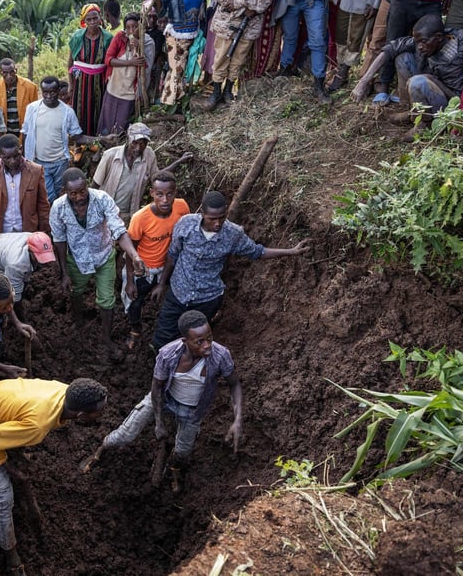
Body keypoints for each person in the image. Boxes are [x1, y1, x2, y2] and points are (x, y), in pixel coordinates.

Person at [0, 377, 107, 575]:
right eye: (100, 411)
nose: (103, 414)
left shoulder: (67, 392)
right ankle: (11, 554)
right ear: (80, 415)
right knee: (3, 496)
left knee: (21, 438)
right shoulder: (37, 425)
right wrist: (10, 468)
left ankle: (11, 441)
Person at [81, 311, 242, 491]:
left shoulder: (220, 355)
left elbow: (234, 384)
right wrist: (158, 423)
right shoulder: (168, 354)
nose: (207, 346)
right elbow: (157, 387)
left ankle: (174, 469)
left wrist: (237, 420)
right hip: (163, 398)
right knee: (124, 435)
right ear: (185, 341)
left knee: (182, 452)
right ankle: (100, 452)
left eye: (209, 338)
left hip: (192, 410)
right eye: (200, 342)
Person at [151, 190, 310, 349]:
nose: (218, 223)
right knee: (162, 340)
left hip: (206, 298)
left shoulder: (233, 234)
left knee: (195, 342)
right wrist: (161, 284)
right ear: (202, 213)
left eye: (222, 217)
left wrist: (291, 251)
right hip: (178, 292)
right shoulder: (186, 224)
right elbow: (172, 255)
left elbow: (256, 251)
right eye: (212, 219)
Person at [51, 168, 146, 359]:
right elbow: (59, 239)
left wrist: (134, 255)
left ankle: (106, 338)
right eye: (73, 193)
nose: (79, 197)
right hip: (77, 259)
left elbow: (118, 229)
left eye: (82, 191)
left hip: (104, 256)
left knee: (106, 299)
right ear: (65, 192)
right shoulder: (58, 207)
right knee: (76, 292)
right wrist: (64, 273)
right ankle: (78, 321)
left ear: (87, 185)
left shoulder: (102, 199)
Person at [352, 13, 463, 133]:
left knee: (418, 82)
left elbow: (457, 99)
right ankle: (411, 111)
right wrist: (363, 81)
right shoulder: (431, 40)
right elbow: (392, 48)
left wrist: (430, 79)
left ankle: (424, 124)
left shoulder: (458, 57)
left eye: (423, 41)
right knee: (403, 58)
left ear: (438, 37)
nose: (420, 47)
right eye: (417, 42)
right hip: (431, 87)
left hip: (448, 105)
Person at [122, 171, 191, 352]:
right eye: (159, 194)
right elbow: (130, 251)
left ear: (175, 192)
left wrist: (161, 283)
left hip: (169, 265)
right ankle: (135, 329)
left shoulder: (182, 207)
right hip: (143, 269)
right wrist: (130, 281)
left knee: (174, 299)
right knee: (135, 302)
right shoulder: (140, 218)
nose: (165, 200)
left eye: (169, 194)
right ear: (152, 193)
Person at [92, 122, 192, 224]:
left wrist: (179, 161)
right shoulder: (110, 155)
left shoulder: (149, 154)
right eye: (135, 143)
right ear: (128, 139)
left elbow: (157, 177)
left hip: (129, 215)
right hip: (106, 213)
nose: (138, 148)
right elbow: (95, 185)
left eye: (143, 144)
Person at [20, 76, 100, 199]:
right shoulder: (32, 109)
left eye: (52, 92)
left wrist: (101, 139)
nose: (48, 96)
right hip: (40, 162)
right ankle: (49, 216)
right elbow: (25, 133)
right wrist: (25, 159)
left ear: (58, 91)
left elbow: (77, 137)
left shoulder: (67, 112)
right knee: (48, 196)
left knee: (58, 194)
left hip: (60, 162)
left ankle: (54, 217)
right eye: (45, 92)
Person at [156, 0, 208, 112]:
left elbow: (203, 7)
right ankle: (169, 106)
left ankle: (183, 104)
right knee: (176, 71)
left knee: (189, 69)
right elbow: (161, 10)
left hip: (194, 32)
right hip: (177, 34)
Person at [0, 133, 51, 239]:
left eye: (16, 156)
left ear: (21, 149)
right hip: (0, 230)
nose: (12, 161)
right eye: (7, 158)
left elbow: (43, 204)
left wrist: (45, 229)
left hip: (26, 230)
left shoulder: (36, 171)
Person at [98, 13, 151, 135]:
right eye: (128, 27)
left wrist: (137, 49)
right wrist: (129, 62)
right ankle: (101, 145)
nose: (131, 30)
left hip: (129, 93)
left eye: (135, 27)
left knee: (121, 126)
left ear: (140, 27)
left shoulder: (146, 43)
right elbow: (108, 60)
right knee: (106, 123)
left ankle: (119, 147)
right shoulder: (119, 38)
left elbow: (145, 68)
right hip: (114, 88)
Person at [0, 232, 56, 303]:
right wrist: (20, 319)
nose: (44, 262)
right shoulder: (16, 264)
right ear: (29, 251)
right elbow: (13, 296)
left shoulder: (37, 240)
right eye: (38, 256)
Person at [68, 4, 114, 136]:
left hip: (99, 80)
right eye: (89, 20)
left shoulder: (108, 38)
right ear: (84, 21)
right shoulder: (77, 37)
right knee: (79, 108)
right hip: (80, 81)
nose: (93, 22)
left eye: (95, 18)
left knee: (98, 108)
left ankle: (96, 140)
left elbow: (110, 61)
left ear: (100, 18)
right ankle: (79, 141)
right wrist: (71, 85)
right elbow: (70, 62)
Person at [0, 58, 40, 137]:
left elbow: (35, 113)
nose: (9, 76)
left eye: (12, 72)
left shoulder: (30, 86)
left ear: (16, 70)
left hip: (25, 133)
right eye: (5, 73)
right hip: (5, 134)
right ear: (0, 72)